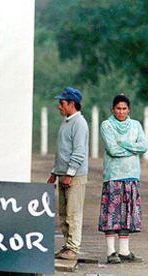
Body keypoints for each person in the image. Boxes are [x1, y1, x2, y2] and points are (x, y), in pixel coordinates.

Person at [98, 94, 148, 264]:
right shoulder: (106, 125)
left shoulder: (135, 125)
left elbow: (143, 146)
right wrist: (132, 150)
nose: (121, 111)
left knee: (127, 214)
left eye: (124, 108)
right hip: (113, 175)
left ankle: (124, 251)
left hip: (131, 175)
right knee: (112, 213)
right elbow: (112, 149)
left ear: (129, 109)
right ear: (113, 109)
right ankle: (111, 252)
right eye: (118, 108)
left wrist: (124, 144)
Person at [47, 87, 89, 260]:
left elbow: (78, 152)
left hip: (74, 176)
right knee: (64, 213)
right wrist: (54, 173)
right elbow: (62, 152)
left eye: (62, 103)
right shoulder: (66, 122)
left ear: (72, 104)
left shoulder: (79, 123)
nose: (59, 106)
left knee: (73, 212)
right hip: (64, 174)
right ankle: (67, 245)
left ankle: (73, 247)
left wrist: (70, 174)